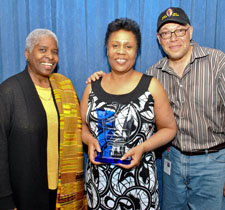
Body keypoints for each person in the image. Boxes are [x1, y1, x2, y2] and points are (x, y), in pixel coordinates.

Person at [87, 7, 225, 210]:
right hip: (173, 163)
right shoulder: (154, 74)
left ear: (190, 32)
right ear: (159, 39)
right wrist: (100, 81)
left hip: (212, 162)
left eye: (179, 31)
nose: (173, 38)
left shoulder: (217, 62)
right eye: (166, 33)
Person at [80, 18, 177, 210]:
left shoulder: (151, 86)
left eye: (128, 46)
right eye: (115, 45)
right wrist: (89, 141)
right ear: (107, 49)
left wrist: (143, 147)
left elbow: (169, 129)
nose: (121, 52)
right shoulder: (92, 87)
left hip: (139, 187)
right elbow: (81, 126)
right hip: (99, 185)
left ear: (137, 51)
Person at [0, 29, 86, 210]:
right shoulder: (9, 91)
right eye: (42, 50)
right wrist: (6, 201)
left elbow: (81, 128)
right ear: (27, 53)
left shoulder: (64, 87)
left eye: (54, 52)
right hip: (24, 193)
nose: (50, 56)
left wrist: (99, 83)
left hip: (61, 190)